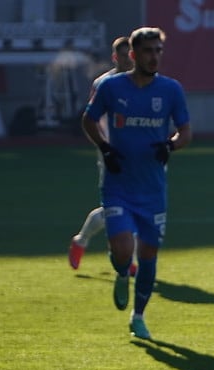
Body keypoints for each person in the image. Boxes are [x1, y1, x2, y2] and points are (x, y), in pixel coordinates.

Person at [81, 26, 192, 339]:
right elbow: (89, 119)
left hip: (153, 187)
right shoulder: (111, 87)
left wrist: (170, 145)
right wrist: (105, 148)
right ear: (133, 55)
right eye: (147, 51)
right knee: (122, 249)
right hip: (118, 183)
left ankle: (138, 316)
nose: (154, 56)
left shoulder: (171, 90)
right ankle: (119, 270)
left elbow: (185, 132)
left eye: (158, 51)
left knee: (147, 256)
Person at [69, 36, 137, 273]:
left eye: (131, 55)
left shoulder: (142, 82)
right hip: (110, 152)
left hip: (137, 154)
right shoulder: (103, 83)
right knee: (113, 207)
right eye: (122, 55)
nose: (127, 61)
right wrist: (104, 146)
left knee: (136, 204)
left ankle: (125, 258)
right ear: (114, 57)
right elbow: (91, 118)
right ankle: (83, 241)